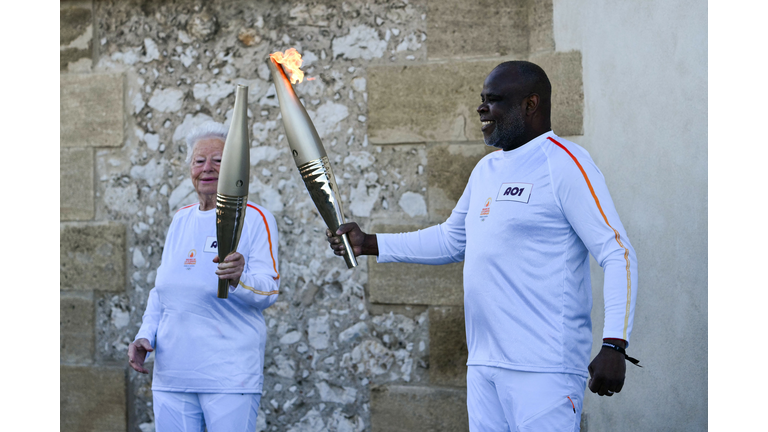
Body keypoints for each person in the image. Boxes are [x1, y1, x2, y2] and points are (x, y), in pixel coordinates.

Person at [327, 61, 639, 431]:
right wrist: (369, 244)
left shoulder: (566, 164)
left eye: (493, 100)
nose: (481, 108)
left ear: (530, 104)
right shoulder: (486, 170)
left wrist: (615, 345)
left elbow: (617, 253)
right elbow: (450, 239)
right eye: (481, 99)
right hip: (484, 367)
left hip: (543, 369)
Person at [127, 122, 280, 432]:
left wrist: (239, 278)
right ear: (190, 169)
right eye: (199, 161)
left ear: (235, 167)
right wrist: (146, 334)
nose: (207, 168)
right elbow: (162, 290)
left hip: (228, 376)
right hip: (172, 376)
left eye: (219, 160)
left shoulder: (254, 217)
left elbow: (269, 291)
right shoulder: (181, 219)